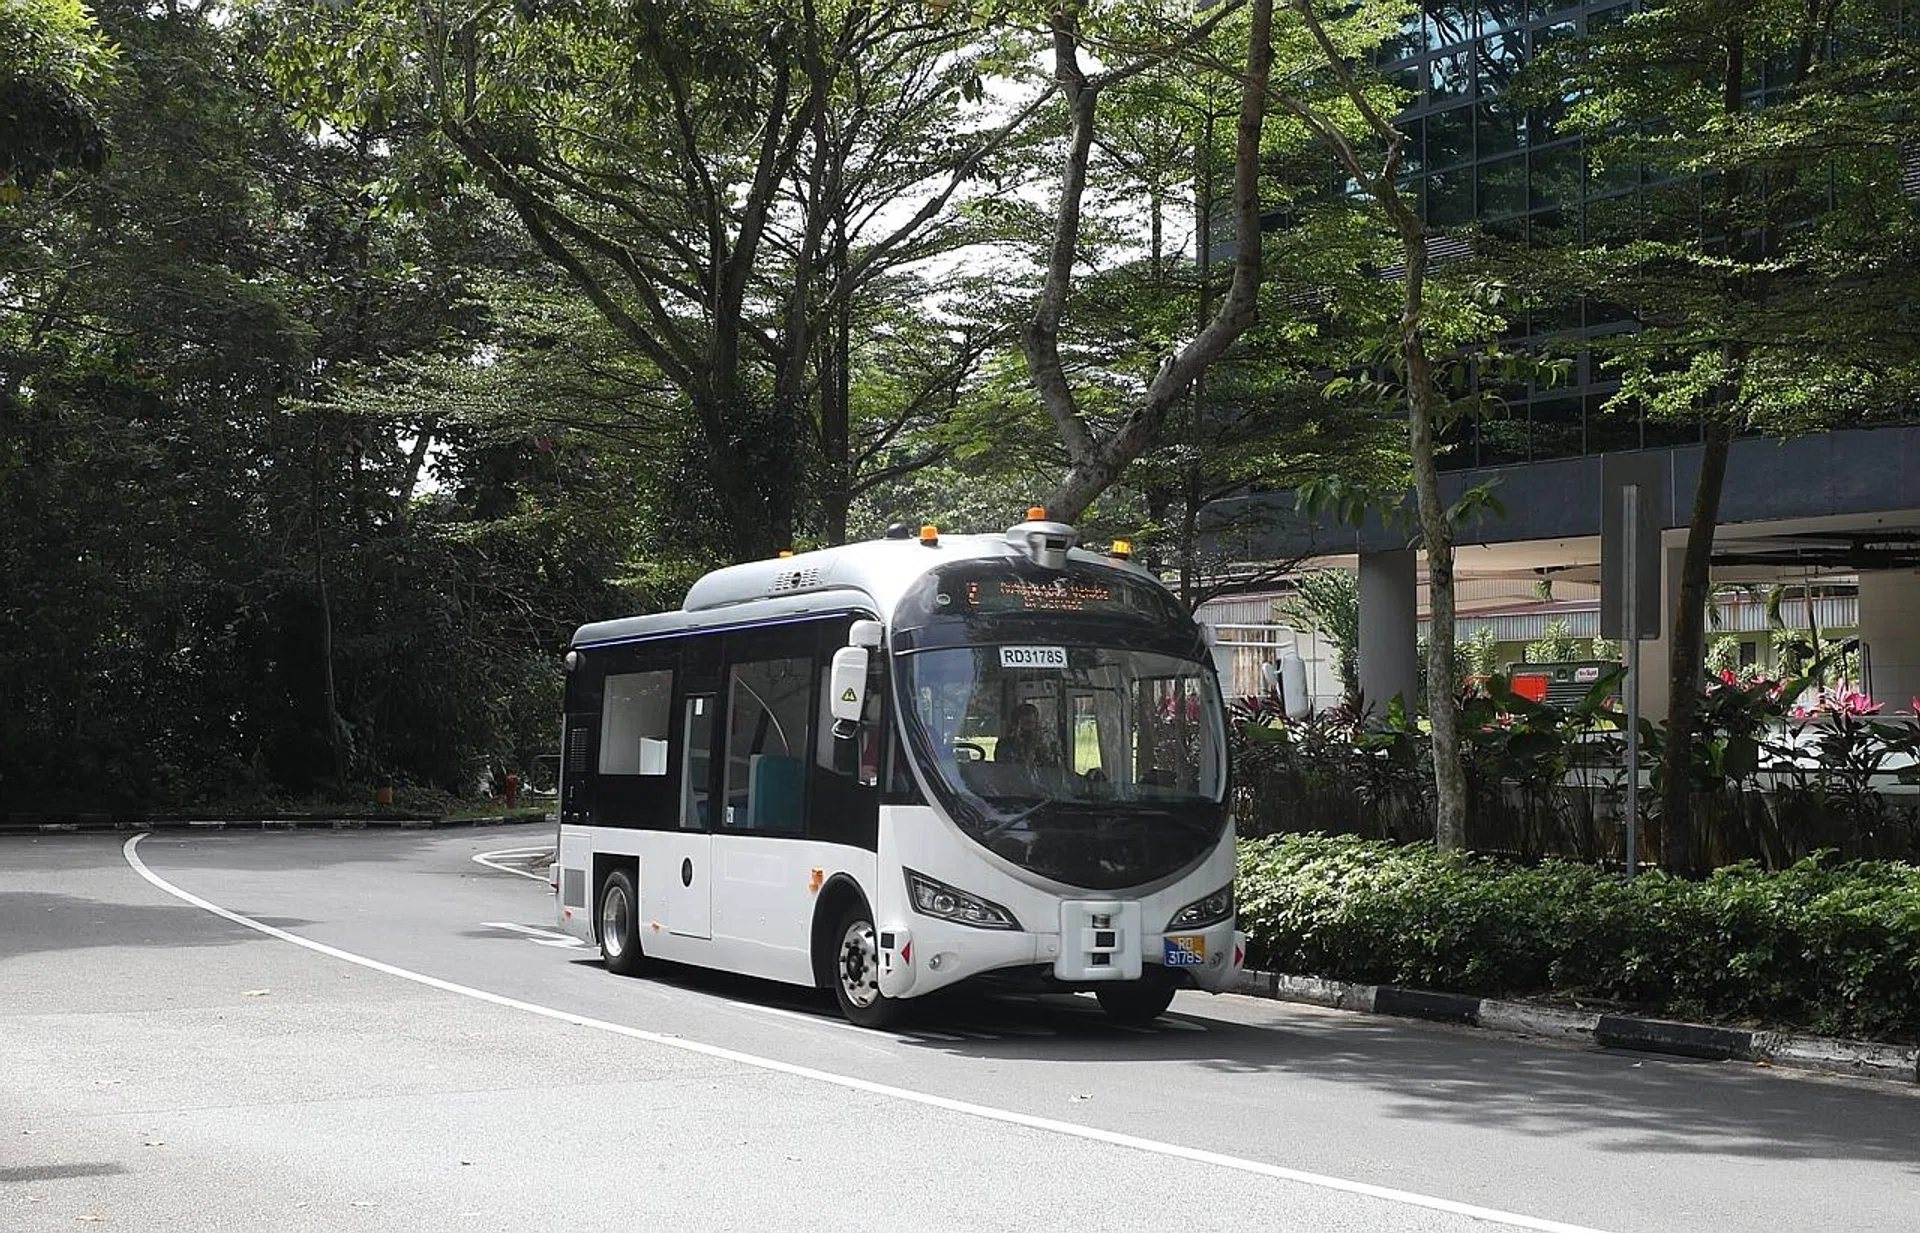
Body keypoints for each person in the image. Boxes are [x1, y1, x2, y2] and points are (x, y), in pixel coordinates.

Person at [997, 703, 1060, 767]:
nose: (1032, 728)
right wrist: (1029, 750)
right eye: (1027, 723)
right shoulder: (1005, 745)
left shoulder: (1043, 745)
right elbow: (1007, 769)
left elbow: (1052, 770)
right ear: (1015, 726)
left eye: (1035, 723)